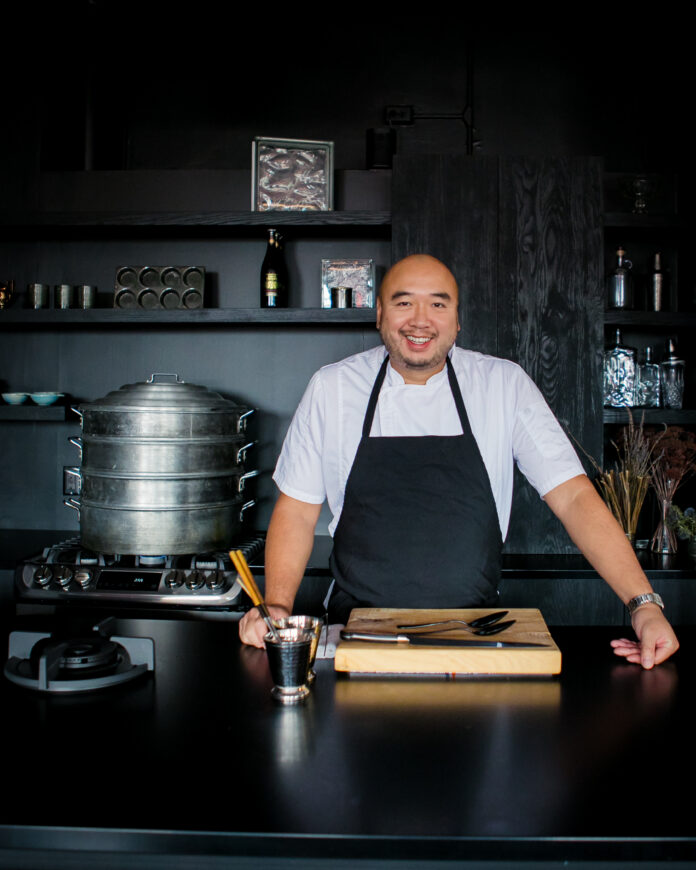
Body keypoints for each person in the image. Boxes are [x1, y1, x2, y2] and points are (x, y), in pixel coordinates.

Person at [239, 254, 679, 669]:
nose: (420, 320)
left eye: (437, 304)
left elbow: (573, 497)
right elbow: (297, 509)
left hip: (475, 638)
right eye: (403, 302)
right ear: (379, 314)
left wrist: (643, 604)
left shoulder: (502, 385)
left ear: (457, 320)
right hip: (355, 638)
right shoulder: (333, 388)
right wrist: (276, 605)